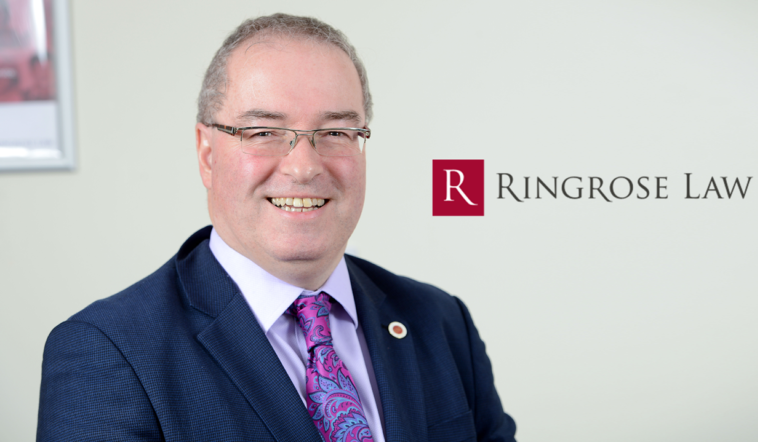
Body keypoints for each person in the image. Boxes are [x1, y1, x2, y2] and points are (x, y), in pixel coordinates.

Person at [37, 13, 516, 442]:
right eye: (263, 132)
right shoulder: (108, 352)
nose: (304, 166)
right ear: (207, 154)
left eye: (335, 132)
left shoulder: (440, 321)